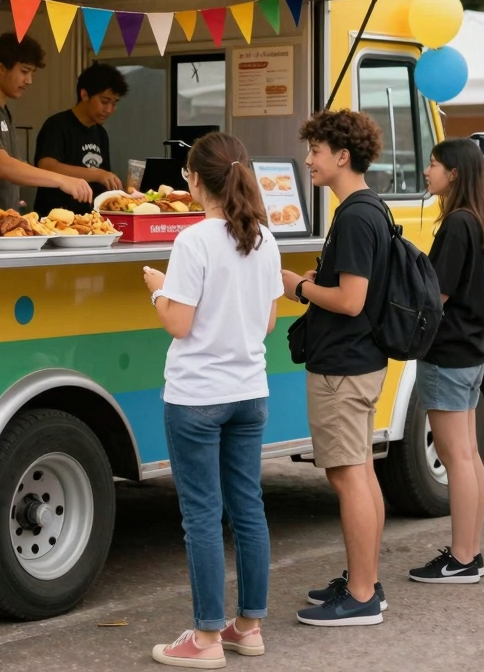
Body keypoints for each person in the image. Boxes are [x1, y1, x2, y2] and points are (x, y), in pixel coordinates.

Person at [142, 132, 283, 667]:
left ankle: (203, 640)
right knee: (248, 508)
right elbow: (267, 321)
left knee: (201, 515)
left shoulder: (193, 241)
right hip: (250, 392)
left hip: (197, 396)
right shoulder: (264, 238)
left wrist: (157, 289)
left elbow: (179, 323)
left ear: (194, 178)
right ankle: (247, 628)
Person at [280, 109, 390, 627]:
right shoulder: (373, 209)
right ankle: (364, 579)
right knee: (363, 473)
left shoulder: (353, 215)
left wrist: (297, 286)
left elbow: (349, 300)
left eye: (316, 151)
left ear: (342, 156)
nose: (308, 160)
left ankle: (362, 594)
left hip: (343, 365)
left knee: (349, 478)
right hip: (363, 360)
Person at [408, 138, 484, 585]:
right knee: (467, 455)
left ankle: (462, 558)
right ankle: (470, 551)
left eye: (434, 164)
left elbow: (435, 297)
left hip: (447, 354)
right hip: (471, 351)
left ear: (454, 173)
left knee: (456, 456)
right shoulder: (479, 220)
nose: (428, 171)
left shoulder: (456, 225)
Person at [0, 33, 91, 214]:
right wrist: (62, 180)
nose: (29, 81)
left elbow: (14, 165)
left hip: (2, 220)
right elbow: (1, 165)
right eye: (24, 71)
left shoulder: (1, 109)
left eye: (32, 73)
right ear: (0, 67)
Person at [34, 62, 129, 214]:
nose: (109, 109)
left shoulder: (101, 133)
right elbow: (46, 166)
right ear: (84, 95)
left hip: (90, 218)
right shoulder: (57, 125)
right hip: (54, 218)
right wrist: (97, 174)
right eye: (104, 101)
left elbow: (103, 181)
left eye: (114, 103)